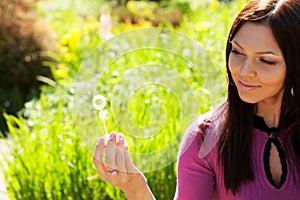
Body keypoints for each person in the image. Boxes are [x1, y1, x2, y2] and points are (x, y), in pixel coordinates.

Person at [93, 0, 300, 199]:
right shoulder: (204, 138)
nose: (245, 71)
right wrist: (135, 187)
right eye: (237, 52)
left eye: (265, 60)